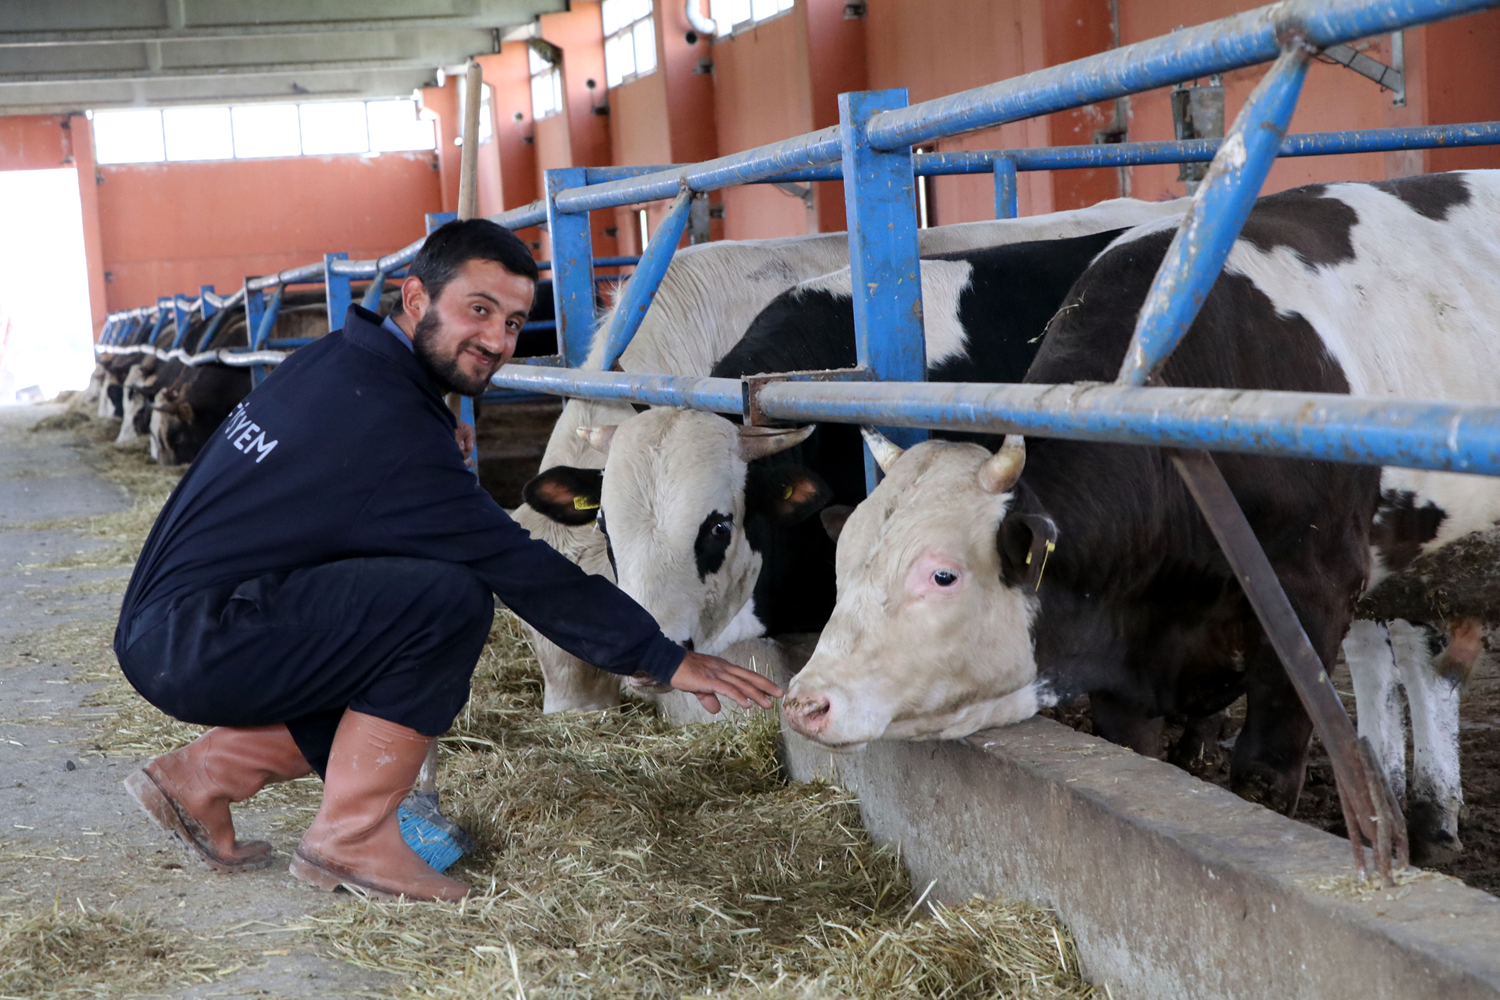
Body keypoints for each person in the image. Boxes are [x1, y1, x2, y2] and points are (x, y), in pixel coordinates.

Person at [113, 219, 783, 902]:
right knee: (445, 603)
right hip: (202, 639)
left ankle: (201, 779)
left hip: (176, 624)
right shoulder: (389, 423)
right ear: (415, 299)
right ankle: (352, 839)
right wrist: (662, 655)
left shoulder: (336, 363)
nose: (497, 340)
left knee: (392, 612)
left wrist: (432, 427)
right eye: (478, 309)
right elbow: (513, 564)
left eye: (514, 322)